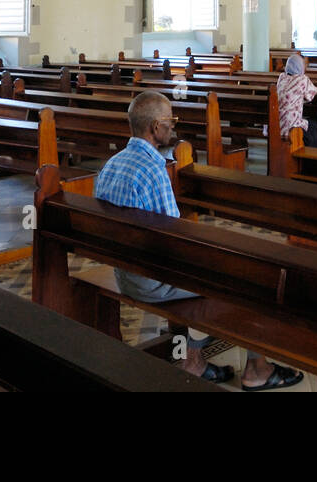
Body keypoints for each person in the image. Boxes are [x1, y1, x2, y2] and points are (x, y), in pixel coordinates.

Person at [95, 92, 303, 390]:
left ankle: (194, 360)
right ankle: (257, 369)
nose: (173, 127)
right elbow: (177, 238)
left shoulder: (111, 165)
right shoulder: (153, 170)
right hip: (151, 281)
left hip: (124, 273)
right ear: (155, 127)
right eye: (170, 121)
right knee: (252, 275)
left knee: (222, 266)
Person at [276, 53, 317, 147]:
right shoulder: (302, 79)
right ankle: (310, 158)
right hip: (291, 126)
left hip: (277, 124)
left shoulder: (281, 77)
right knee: (316, 128)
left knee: (310, 126)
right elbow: (314, 93)